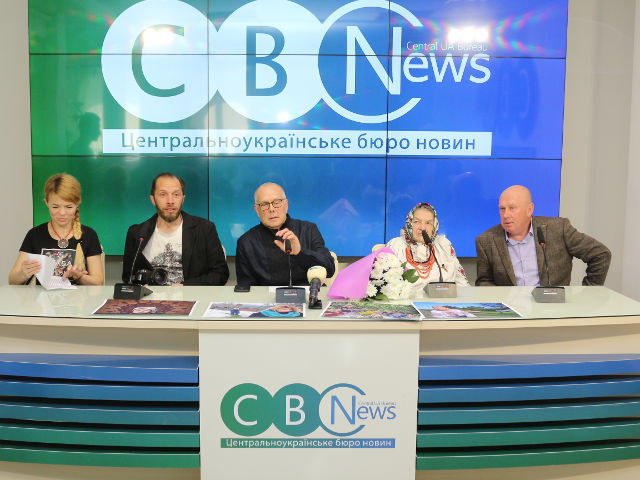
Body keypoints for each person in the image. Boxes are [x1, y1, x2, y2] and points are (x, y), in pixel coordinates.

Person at [475, 185, 611, 286]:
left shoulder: (558, 229)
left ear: (529, 209)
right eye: (502, 209)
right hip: (511, 311)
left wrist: (587, 293)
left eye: (512, 208)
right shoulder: (486, 240)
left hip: (553, 309)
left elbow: (601, 254)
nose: (506, 215)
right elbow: (484, 281)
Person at [122, 172, 229, 286]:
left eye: (176, 194)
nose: (170, 201)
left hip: (191, 295)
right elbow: (128, 277)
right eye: (163, 194)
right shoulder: (137, 233)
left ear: (183, 199)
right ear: (153, 199)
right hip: (151, 296)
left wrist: (185, 287)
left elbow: (220, 274)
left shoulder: (205, 229)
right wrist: (141, 288)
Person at [9, 173, 104, 285]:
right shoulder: (34, 234)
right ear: (46, 203)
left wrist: (79, 277)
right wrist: (23, 273)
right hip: (41, 296)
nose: (62, 213)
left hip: (78, 296)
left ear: (77, 204)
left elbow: (98, 282)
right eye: (55, 207)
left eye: (69, 207)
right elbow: (12, 280)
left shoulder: (89, 235)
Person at [235, 182, 335, 286]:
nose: (271, 209)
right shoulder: (246, 242)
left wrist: (299, 253)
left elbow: (330, 269)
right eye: (264, 204)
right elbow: (245, 287)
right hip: (266, 296)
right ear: (257, 210)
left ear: (286, 205)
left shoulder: (308, 229)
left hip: (308, 293)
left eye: (276, 202)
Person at [386, 203, 469, 289]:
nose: (422, 228)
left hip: (444, 297)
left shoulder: (443, 245)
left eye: (428, 223)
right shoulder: (396, 245)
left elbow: (461, 282)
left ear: (434, 226)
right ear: (409, 223)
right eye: (417, 222)